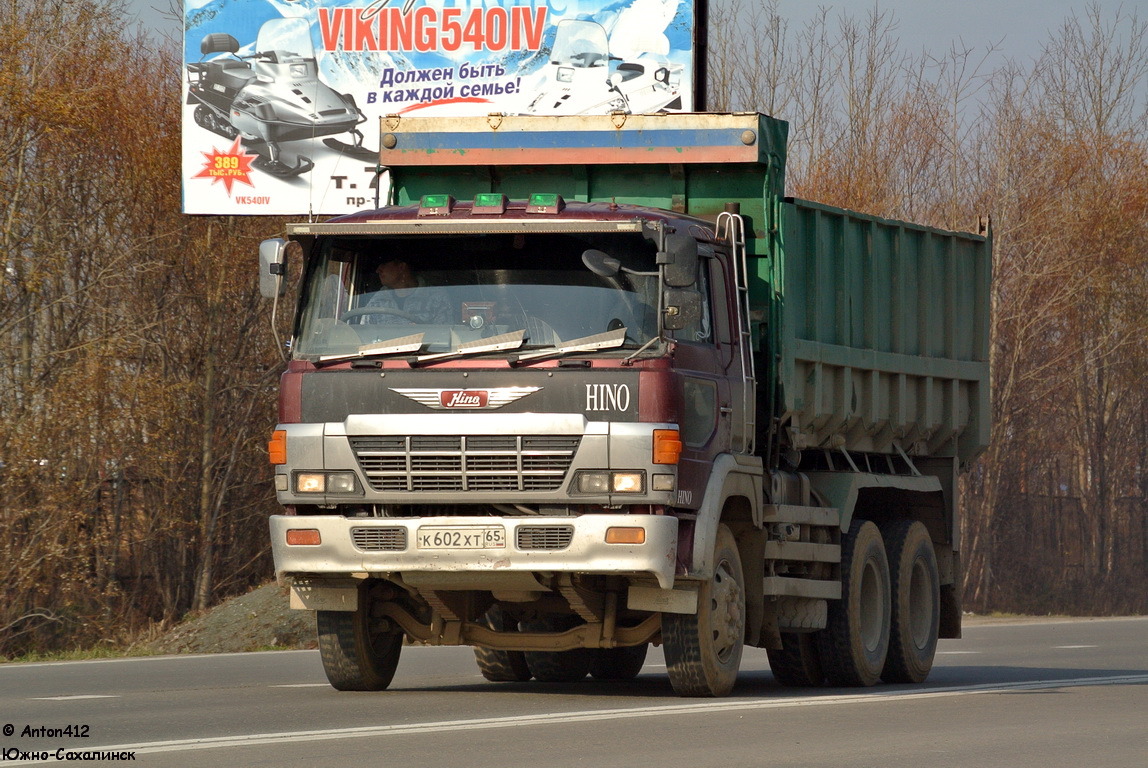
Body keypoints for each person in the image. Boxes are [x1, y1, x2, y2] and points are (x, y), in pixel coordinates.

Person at [363, 257, 452, 324]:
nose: (378, 270)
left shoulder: (436, 297)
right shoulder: (377, 300)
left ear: (401, 267)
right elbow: (364, 336)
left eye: (383, 265)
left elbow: (445, 334)